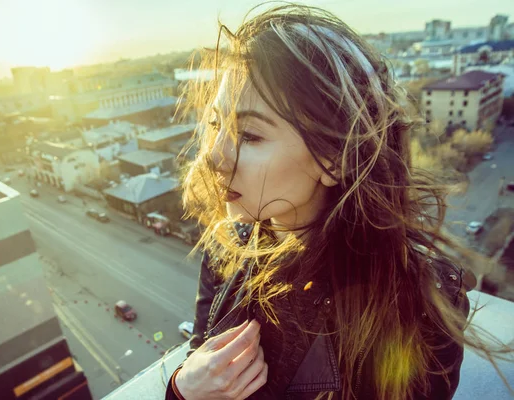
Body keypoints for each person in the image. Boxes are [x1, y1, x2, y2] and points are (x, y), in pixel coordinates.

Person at [166, 3, 513, 400]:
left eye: (249, 135)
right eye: (215, 125)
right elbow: (200, 355)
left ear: (336, 158)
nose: (213, 155)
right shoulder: (227, 247)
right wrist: (183, 389)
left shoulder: (415, 303)